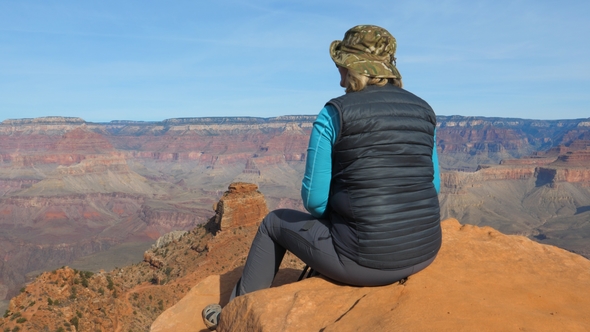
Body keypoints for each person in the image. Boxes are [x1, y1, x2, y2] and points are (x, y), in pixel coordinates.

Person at [202, 24, 441, 330]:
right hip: (424, 252)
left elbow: (314, 201)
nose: (339, 77)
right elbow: (432, 186)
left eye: (342, 67)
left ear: (356, 69)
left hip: (363, 262)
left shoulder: (335, 113)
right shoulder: (425, 110)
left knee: (273, 223)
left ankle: (232, 315)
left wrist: (342, 215)